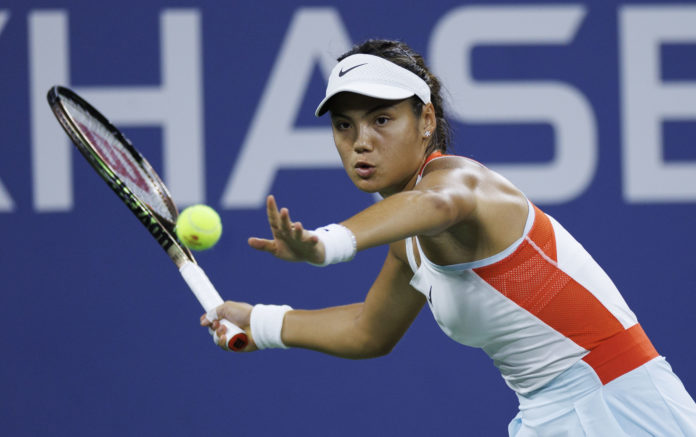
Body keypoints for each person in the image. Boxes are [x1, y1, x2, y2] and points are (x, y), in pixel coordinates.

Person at [202, 39, 696, 436]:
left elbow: (435, 204)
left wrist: (327, 244)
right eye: (344, 125)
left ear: (427, 121)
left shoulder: (461, 182)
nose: (360, 142)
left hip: (619, 407)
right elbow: (368, 330)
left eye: (381, 119)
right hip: (549, 415)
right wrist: (260, 324)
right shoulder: (408, 239)